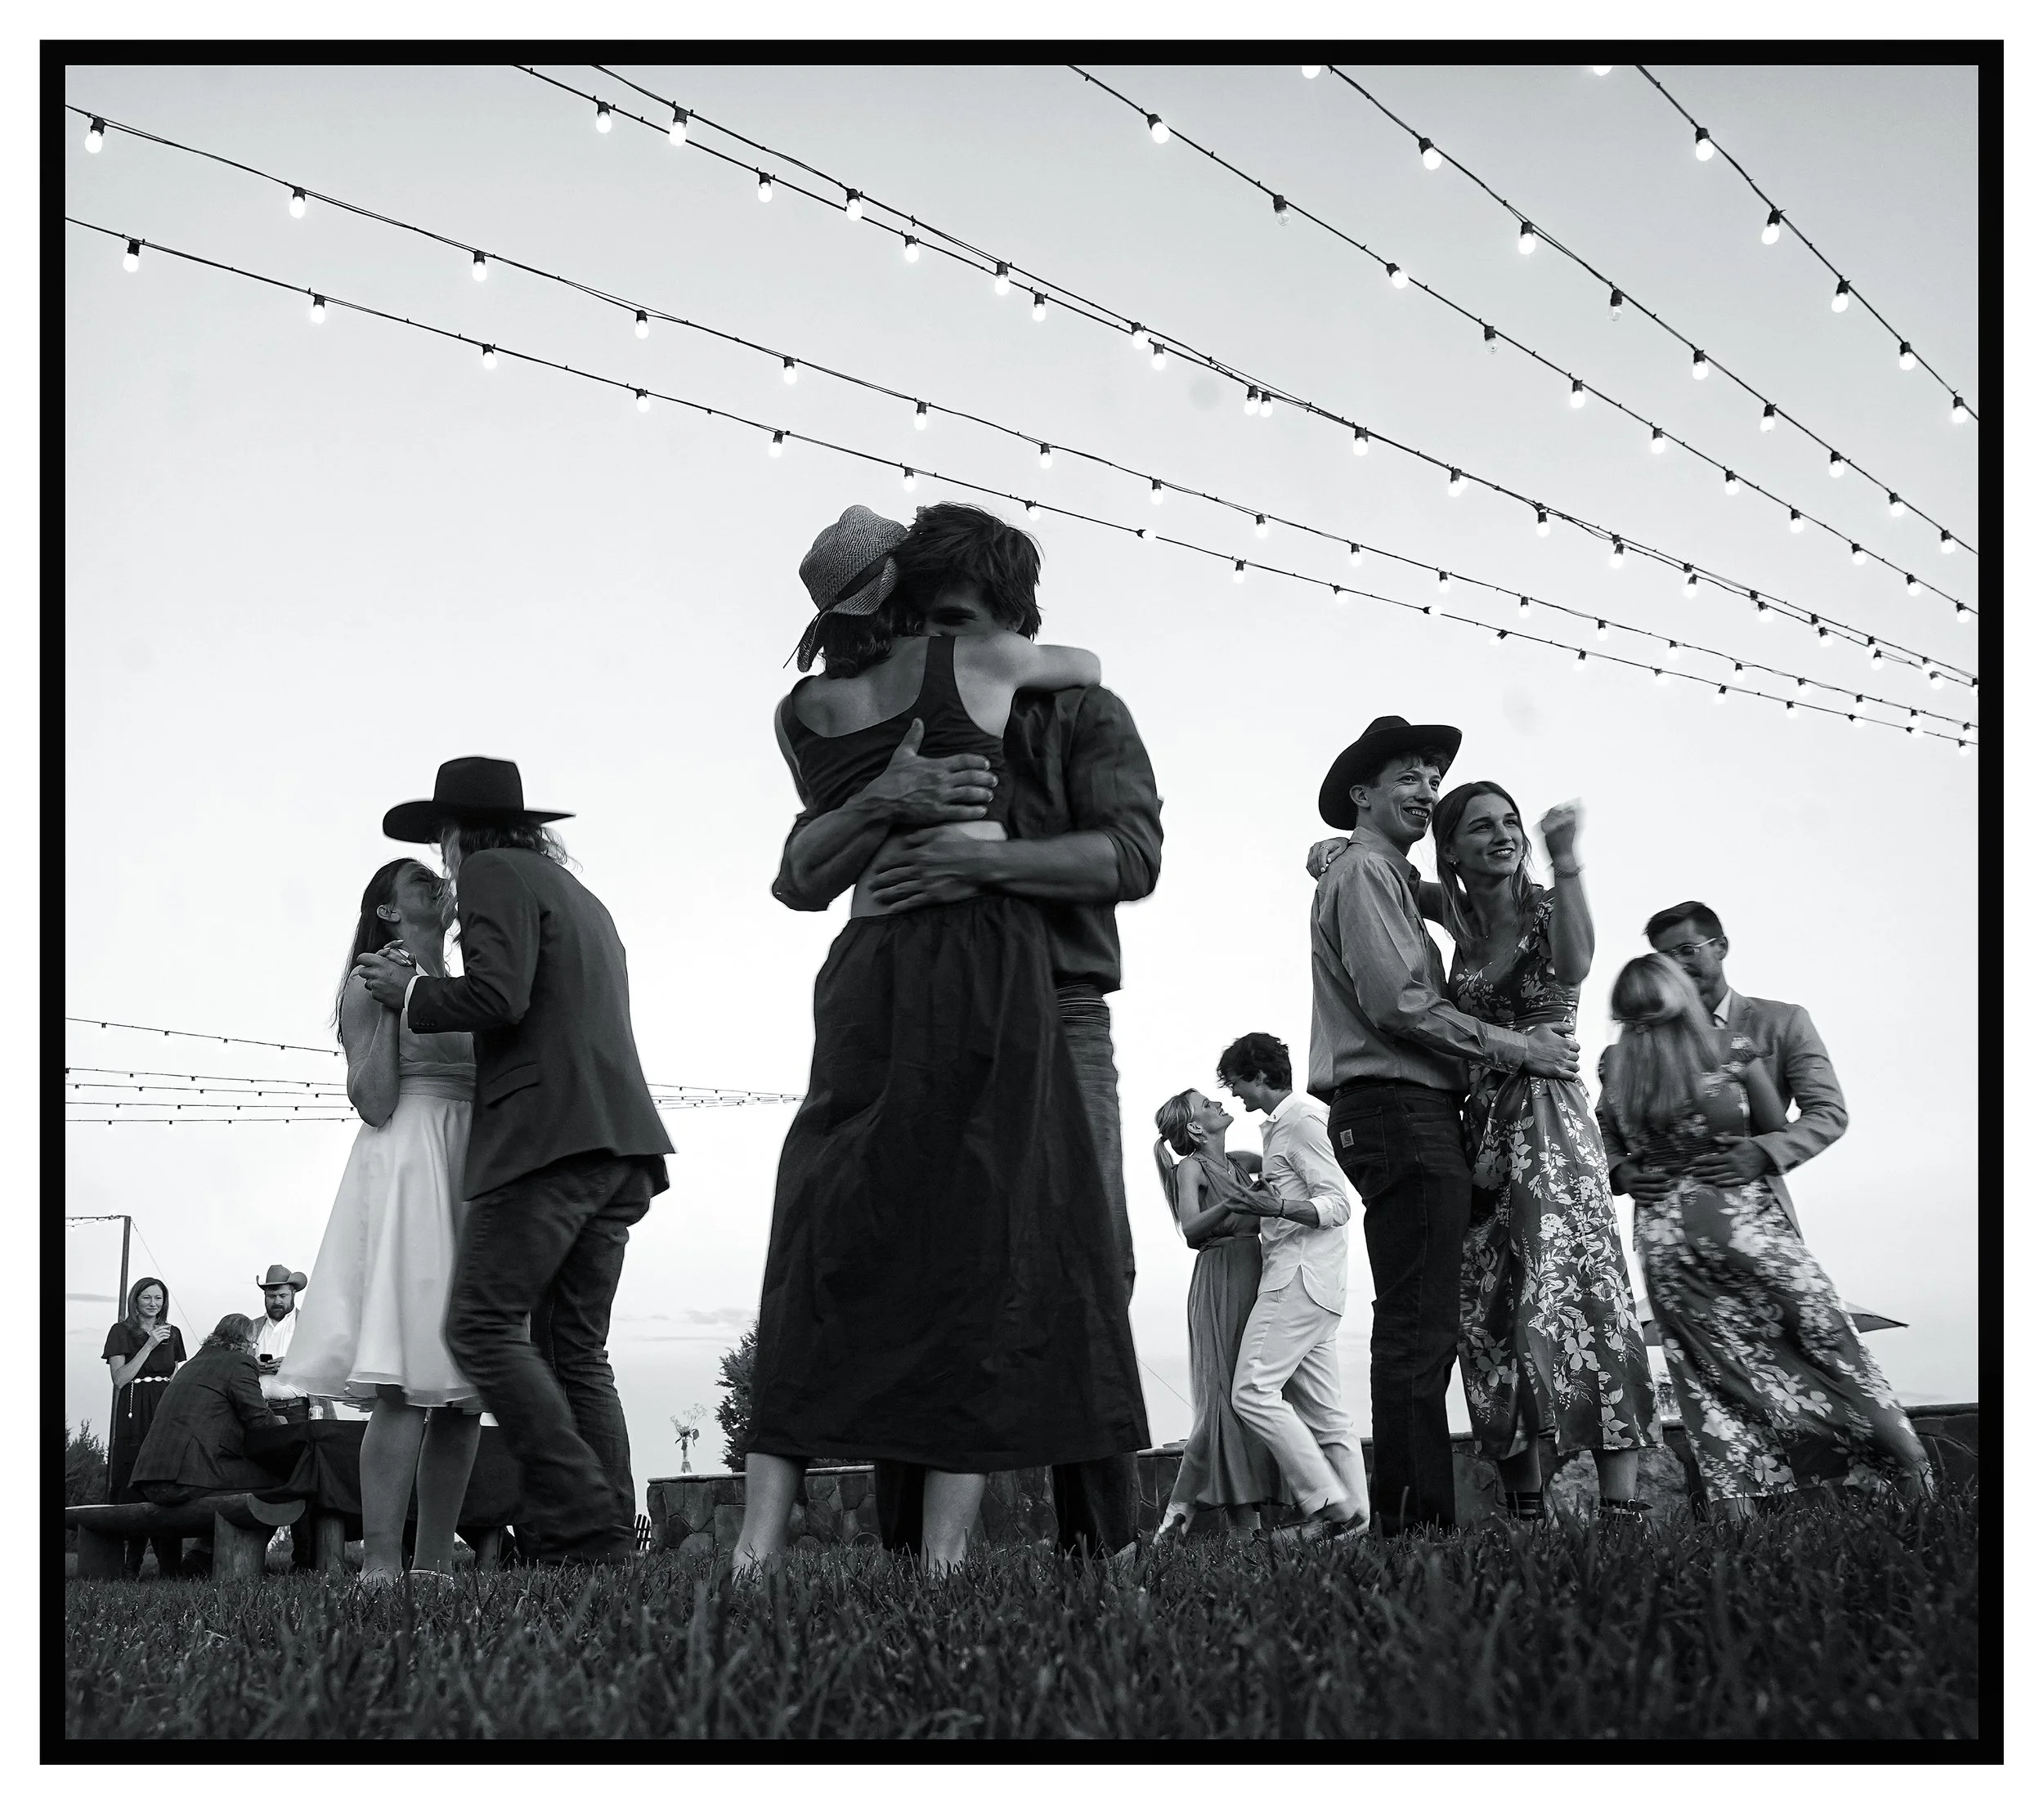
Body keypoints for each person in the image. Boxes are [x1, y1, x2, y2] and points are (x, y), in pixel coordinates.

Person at [736, 504, 1148, 1574]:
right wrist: (891, 796)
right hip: (915, 989)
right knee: (915, 1258)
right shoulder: (920, 697)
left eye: (959, 611)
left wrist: (984, 864)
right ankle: (917, 1547)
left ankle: (1102, 1547)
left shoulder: (1080, 710)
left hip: (1051, 1002)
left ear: (1010, 612)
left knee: (1080, 1261)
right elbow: (797, 871)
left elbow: (1131, 857)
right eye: (923, 605)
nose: (939, 627)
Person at [354, 758, 674, 1569]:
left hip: (545, 1139)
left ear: (460, 835)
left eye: (443, 842)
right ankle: (601, 1550)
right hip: (620, 1142)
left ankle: (578, 1528)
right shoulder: (579, 896)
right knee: (574, 1349)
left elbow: (501, 997)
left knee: (481, 1327)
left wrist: (411, 996)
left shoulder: (494, 872)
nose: (446, 863)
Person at [1306, 716, 1580, 1535]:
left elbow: (1473, 905)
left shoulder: (1376, 873)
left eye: (1432, 780)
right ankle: (1416, 1530)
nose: (1426, 792)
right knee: (1418, 1335)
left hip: (1403, 1113)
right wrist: (1517, 1046)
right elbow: (1399, 1003)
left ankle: (1413, 1522)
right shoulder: (1366, 874)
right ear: (1362, 795)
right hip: (1397, 1110)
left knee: (1421, 1325)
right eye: (1407, 779)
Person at [1595, 955, 1929, 1516]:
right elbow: (1774, 1129)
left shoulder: (1615, 1063)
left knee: (1709, 1381)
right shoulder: (1732, 1050)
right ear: (1680, 994)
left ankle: (1738, 1520)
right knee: (1829, 1350)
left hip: (1668, 1242)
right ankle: (1910, 1476)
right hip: (1742, 1226)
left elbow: (1605, 1137)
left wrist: (1621, 1172)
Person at [1426, 783, 1658, 1522]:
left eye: (1509, 823)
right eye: (1480, 828)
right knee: (1490, 1309)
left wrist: (1566, 861)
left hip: (1550, 1121)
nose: (1500, 835)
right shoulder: (1457, 916)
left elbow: (1578, 965)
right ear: (1453, 849)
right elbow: (1399, 880)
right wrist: (1333, 852)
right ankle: (1526, 1509)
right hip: (1480, 1128)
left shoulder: (1547, 905)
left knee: (1580, 1294)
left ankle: (1620, 1508)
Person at [285, 857, 484, 1583]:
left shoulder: (470, 975)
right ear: (390, 911)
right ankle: (380, 1562)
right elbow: (370, 1100)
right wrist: (397, 1011)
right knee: (402, 1377)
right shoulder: (374, 978)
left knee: (464, 1387)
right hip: (410, 1162)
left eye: (440, 878)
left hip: (472, 1163)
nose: (439, 885)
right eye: (419, 883)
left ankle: (433, 1566)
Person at [1605, 902, 1849, 1239]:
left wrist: (1765, 1152)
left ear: (1721, 946)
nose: (1678, 964)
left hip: (1755, 1220)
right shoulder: (1632, 1044)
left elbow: (1828, 1112)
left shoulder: (1783, 1022)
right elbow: (1604, 1126)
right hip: (1667, 1228)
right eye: (1665, 958)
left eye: (1687, 950)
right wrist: (1619, 1172)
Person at [1212, 1033, 1371, 1540]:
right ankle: (1358, 1527)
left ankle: (1331, 1506)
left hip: (1296, 1280)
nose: (1234, 1094)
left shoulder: (1301, 1121)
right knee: (1326, 1416)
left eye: (1235, 1082)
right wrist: (1266, 1193)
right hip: (1318, 1286)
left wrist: (1274, 1207)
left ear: (1258, 1076)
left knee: (1252, 1392)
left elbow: (1338, 1205)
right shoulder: (1282, 1127)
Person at [1150, 1091, 1282, 1543]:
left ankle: (1241, 1527)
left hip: (1253, 1275)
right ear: (1194, 1128)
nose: (1220, 1104)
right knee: (1223, 1397)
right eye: (1208, 1104)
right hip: (1220, 1278)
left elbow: (1277, 1161)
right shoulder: (1192, 1168)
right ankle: (1193, 1518)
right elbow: (1190, 1228)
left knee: (1251, 1395)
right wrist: (1238, 1203)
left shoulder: (1237, 1164)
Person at [131, 1314, 279, 1521]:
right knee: (279, 1480)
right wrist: (283, 1426)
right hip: (187, 1477)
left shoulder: (192, 1364)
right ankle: (212, 1552)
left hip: (148, 1478)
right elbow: (260, 1419)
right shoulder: (240, 1363)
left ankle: (203, 1551)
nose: (254, 1349)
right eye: (254, 1344)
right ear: (246, 1343)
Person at [101, 1275, 187, 1578]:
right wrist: (150, 1344)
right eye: (147, 1298)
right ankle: (130, 1561)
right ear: (135, 1300)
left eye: (159, 1298)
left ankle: (169, 1564)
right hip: (134, 1409)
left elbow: (175, 1375)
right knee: (132, 1478)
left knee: (164, 1475)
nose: (154, 1304)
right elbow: (120, 1378)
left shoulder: (173, 1333)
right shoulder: (121, 1331)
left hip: (164, 1408)